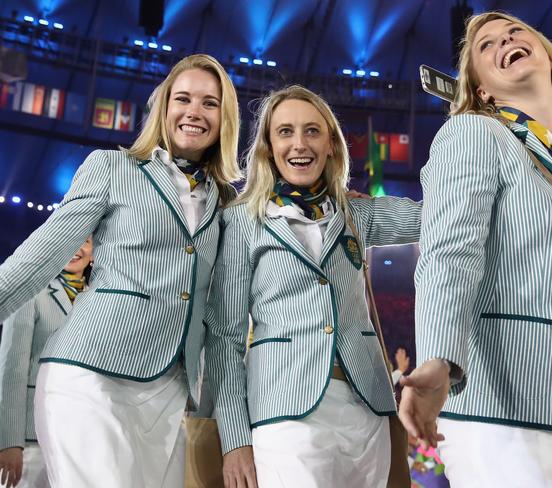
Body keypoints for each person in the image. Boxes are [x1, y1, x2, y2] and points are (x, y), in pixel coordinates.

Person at [399, 11, 552, 487]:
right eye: (486, 44)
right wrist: (437, 359)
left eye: (515, 32)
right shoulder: (473, 133)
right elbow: (450, 249)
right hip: (513, 412)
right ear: (482, 91)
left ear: (550, 59)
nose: (505, 40)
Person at [0, 53, 240, 487]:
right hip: (90, 377)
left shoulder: (228, 207)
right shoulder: (111, 168)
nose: (194, 112)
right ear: (164, 108)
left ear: (225, 118)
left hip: (168, 394)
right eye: (183, 99)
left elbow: (223, 326)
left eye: (210, 103)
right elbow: (38, 259)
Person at [204, 85, 421, 487]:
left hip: (368, 406)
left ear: (332, 146)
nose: (299, 143)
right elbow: (224, 338)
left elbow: (442, 217)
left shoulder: (357, 212)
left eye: (312, 131)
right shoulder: (241, 222)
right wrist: (235, 441)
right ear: (268, 147)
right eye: (285, 131)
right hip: (284, 411)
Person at [0, 238, 93, 488]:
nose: (76, 249)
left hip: (82, 438)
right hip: (33, 438)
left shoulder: (99, 299)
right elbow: (12, 369)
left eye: (85, 241)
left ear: (95, 252)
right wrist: (10, 441)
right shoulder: (30, 292)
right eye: (71, 240)